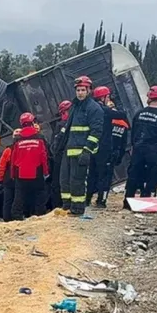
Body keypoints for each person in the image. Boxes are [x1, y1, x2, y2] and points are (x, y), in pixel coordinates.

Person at [60, 76, 104, 215]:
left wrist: (87, 150)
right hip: (69, 149)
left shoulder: (93, 108)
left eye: (82, 90)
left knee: (77, 181)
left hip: (81, 151)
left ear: (89, 90)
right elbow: (69, 127)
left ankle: (78, 209)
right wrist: (59, 141)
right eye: (78, 90)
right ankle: (67, 205)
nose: (80, 93)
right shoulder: (75, 106)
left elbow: (96, 131)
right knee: (64, 180)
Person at [124, 85, 157, 203]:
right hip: (154, 151)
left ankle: (128, 201)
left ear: (149, 98)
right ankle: (148, 200)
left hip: (138, 149)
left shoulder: (139, 113)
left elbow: (133, 132)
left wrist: (133, 146)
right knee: (153, 175)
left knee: (134, 174)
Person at [11, 112, 49, 219]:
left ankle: (17, 218)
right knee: (39, 196)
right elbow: (43, 157)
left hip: (20, 173)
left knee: (19, 198)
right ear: (32, 122)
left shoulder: (17, 140)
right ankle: (39, 217)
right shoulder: (39, 138)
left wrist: (13, 174)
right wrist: (46, 172)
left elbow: (13, 159)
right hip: (37, 172)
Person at [0, 131, 17, 221]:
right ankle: (18, 217)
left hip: (8, 179)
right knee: (19, 199)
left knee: (7, 201)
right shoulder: (23, 148)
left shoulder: (8, 150)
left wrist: (0, 179)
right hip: (20, 178)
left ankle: (7, 219)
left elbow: (2, 166)